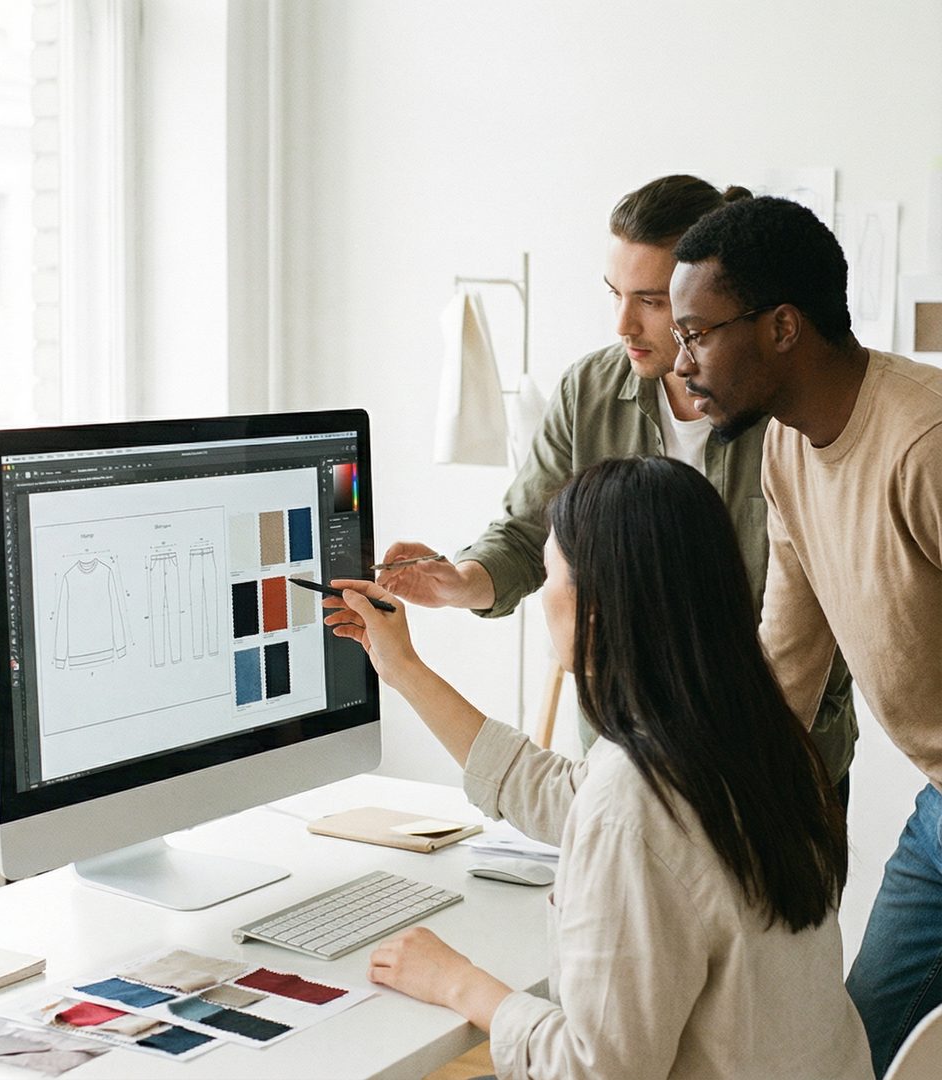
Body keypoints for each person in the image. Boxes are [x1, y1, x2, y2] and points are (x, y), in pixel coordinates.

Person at [323, 455, 866, 1079]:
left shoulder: (634, 800)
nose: (544, 595)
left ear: (596, 605)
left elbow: (596, 1072)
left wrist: (463, 985)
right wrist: (404, 669)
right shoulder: (754, 736)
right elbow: (564, 794)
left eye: (552, 573)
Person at [379, 176, 855, 791]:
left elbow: (822, 603)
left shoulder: (784, 408)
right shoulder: (590, 392)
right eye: (615, 294)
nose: (625, 324)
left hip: (780, 769)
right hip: (629, 763)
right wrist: (461, 581)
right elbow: (527, 536)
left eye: (652, 302)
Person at [669, 194, 942, 1075]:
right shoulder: (785, 450)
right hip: (941, 812)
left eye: (697, 334)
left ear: (782, 327)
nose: (681, 364)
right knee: (854, 1050)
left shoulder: (925, 445)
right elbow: (785, 665)